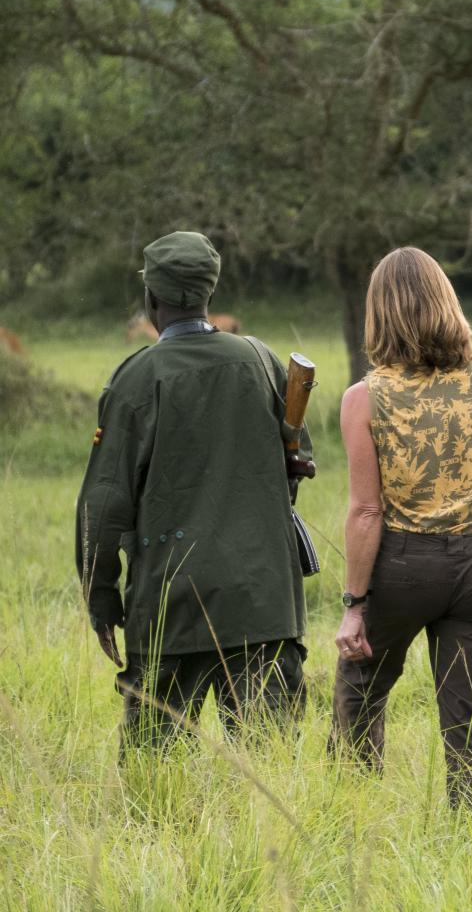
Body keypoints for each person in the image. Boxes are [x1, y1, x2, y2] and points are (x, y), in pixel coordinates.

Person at [76, 231, 312, 751]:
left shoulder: (136, 379)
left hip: (170, 602)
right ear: (211, 291)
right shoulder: (263, 361)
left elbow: (103, 504)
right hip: (263, 601)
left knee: (154, 770)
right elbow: (298, 464)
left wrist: (101, 600)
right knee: (270, 769)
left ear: (151, 299)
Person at [329, 247, 472, 805]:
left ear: (380, 314)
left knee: (360, 692)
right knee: (469, 718)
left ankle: (352, 812)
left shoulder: (365, 398)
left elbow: (367, 511)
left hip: (401, 567)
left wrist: (354, 605)